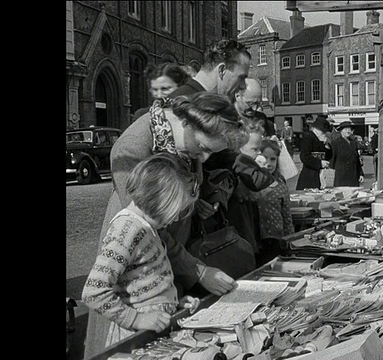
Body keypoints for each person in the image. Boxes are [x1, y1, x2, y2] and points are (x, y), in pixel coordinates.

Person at [84, 92, 241, 358]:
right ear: (188, 123)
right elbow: (152, 227)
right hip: (130, 301)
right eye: (203, 148)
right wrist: (198, 271)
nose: (203, 159)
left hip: (159, 279)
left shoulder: (187, 142)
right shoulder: (133, 148)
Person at [82, 153, 201, 348]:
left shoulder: (145, 227)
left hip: (151, 331)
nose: (177, 218)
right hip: (135, 338)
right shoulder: (127, 230)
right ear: (159, 199)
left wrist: (173, 303)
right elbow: (93, 291)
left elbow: (143, 282)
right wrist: (136, 319)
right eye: (176, 210)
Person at [228, 121, 276, 265]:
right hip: (239, 215)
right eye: (255, 149)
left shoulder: (244, 160)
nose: (259, 153)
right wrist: (264, 169)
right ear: (240, 147)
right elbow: (257, 181)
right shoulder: (241, 160)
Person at [167, 39, 251, 100]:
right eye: (241, 77)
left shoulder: (181, 98)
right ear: (222, 70)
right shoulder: (185, 105)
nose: (243, 86)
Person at [255, 139, 295, 265]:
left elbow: (286, 216)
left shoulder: (280, 183)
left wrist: (290, 240)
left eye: (273, 159)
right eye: (264, 158)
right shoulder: (250, 181)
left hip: (276, 239)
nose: (269, 163)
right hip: (256, 239)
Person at [296, 116, 332, 190]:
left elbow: (329, 156)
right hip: (309, 174)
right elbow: (305, 157)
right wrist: (320, 163)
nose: (324, 133)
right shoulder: (308, 138)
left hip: (320, 174)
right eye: (323, 131)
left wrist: (326, 146)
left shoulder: (320, 139)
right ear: (316, 129)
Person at [330, 121, 364, 187]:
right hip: (341, 176)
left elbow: (357, 160)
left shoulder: (353, 143)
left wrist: (360, 174)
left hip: (353, 176)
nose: (348, 131)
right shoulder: (335, 143)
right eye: (345, 129)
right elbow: (332, 160)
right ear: (341, 131)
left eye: (349, 129)